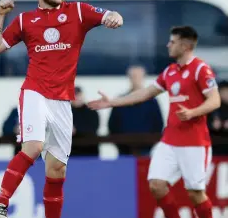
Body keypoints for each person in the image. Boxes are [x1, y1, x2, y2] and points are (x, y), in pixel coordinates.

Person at [0, 0, 123, 218]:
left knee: (57, 169)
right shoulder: (26, 20)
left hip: (62, 100)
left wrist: (114, 16)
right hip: (35, 91)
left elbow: (110, 15)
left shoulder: (78, 11)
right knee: (34, 146)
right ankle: (0, 204)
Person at [88, 26, 220, 218]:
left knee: (195, 193)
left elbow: (215, 100)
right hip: (170, 141)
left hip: (194, 142)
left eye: (172, 42)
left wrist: (192, 112)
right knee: (156, 185)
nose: (168, 45)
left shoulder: (200, 68)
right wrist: (113, 102)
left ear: (184, 46)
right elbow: (145, 93)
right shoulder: (170, 71)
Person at [108, 65, 163, 155]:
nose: (136, 79)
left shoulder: (152, 101)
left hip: (146, 150)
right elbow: (113, 124)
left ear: (143, 77)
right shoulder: (121, 100)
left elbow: (158, 124)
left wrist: (150, 143)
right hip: (124, 151)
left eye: (138, 76)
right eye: (133, 76)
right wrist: (120, 144)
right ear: (129, 78)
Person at [71, 86, 99, 156]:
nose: (76, 97)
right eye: (74, 95)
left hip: (89, 151)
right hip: (71, 152)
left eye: (78, 95)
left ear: (82, 95)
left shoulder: (91, 110)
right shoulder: (65, 112)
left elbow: (93, 128)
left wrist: (76, 130)